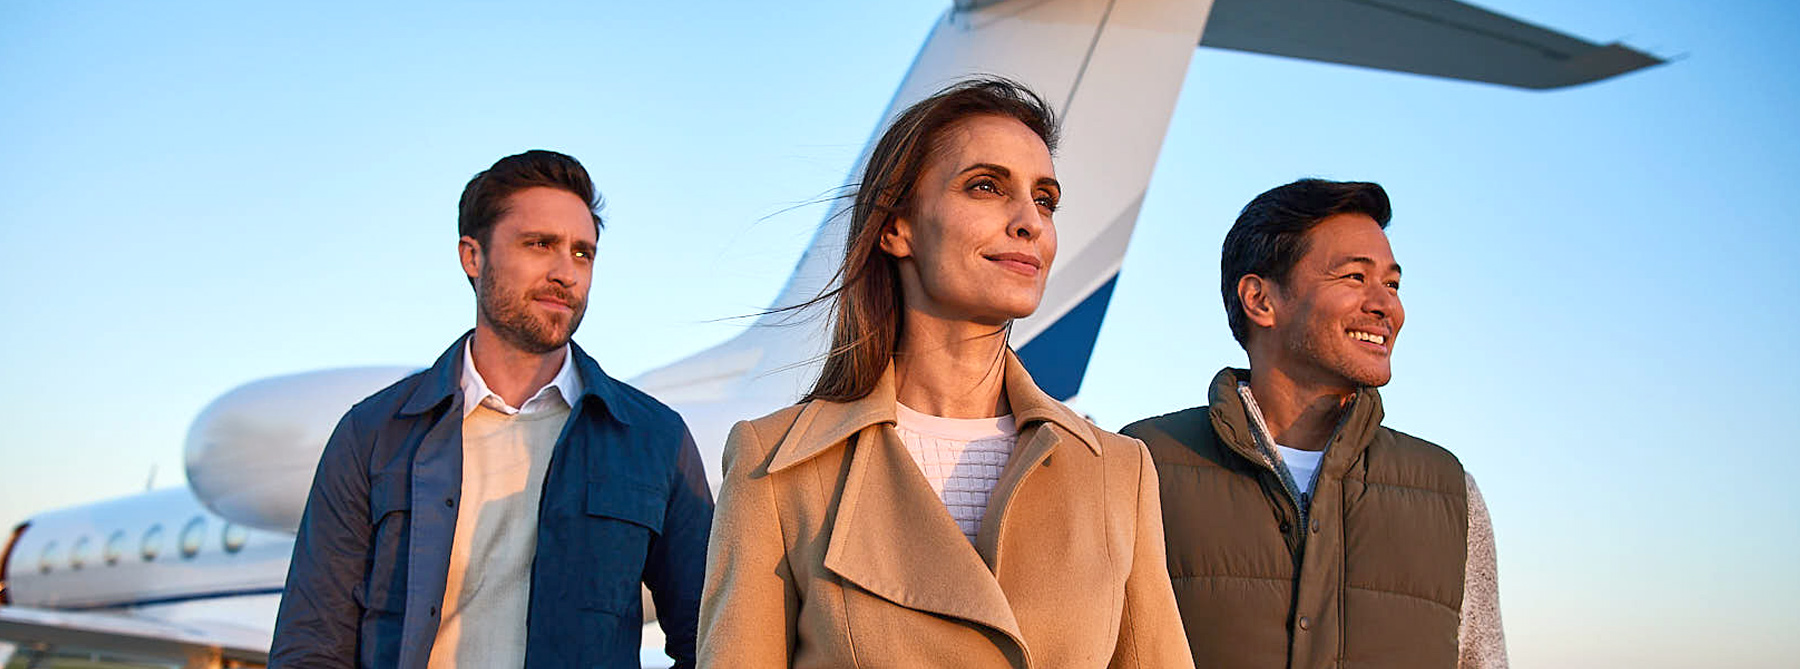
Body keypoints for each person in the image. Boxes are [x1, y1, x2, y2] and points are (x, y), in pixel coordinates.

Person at [696, 78, 1193, 668]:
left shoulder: (1118, 472)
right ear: (896, 228)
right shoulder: (774, 465)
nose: (1030, 222)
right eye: (985, 187)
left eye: (1045, 200)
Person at [270, 150, 713, 668]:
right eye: (539, 244)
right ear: (472, 257)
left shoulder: (654, 439)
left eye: (581, 253)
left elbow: (711, 640)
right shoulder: (373, 435)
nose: (564, 273)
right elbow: (313, 644)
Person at [1122, 179, 1506, 668]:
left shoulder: (1452, 493)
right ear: (1260, 300)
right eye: (1353, 277)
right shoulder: (1138, 466)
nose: (1387, 306)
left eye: (1392, 284)